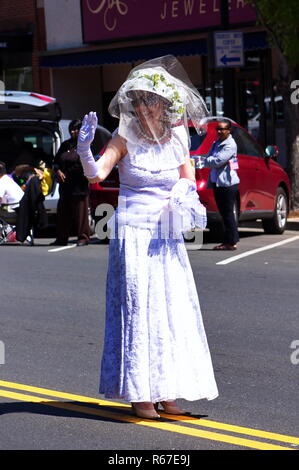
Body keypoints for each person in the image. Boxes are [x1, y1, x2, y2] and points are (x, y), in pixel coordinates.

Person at [77, 56, 218, 419]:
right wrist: (83, 150)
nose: (142, 106)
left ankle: (168, 393)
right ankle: (140, 395)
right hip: (135, 233)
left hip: (165, 234)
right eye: (138, 100)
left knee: (171, 309)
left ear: (164, 104)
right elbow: (97, 174)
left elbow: (187, 176)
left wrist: (182, 194)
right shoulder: (124, 138)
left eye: (149, 100)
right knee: (139, 309)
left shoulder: (178, 138)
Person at [50, 119, 90, 246]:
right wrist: (58, 171)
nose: (73, 131)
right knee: (63, 213)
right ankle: (61, 238)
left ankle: (83, 237)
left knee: (80, 214)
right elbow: (56, 162)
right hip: (65, 185)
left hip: (79, 185)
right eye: (71, 129)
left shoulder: (85, 145)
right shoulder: (65, 145)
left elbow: (87, 164)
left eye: (76, 129)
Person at [203, 119, 240, 250]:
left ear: (228, 130)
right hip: (218, 182)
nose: (218, 132)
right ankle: (230, 240)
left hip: (227, 184)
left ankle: (231, 242)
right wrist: (208, 160)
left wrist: (207, 160)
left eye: (221, 129)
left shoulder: (230, 145)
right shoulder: (216, 142)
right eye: (217, 129)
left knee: (228, 212)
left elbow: (217, 161)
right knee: (224, 213)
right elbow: (209, 158)